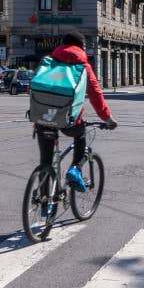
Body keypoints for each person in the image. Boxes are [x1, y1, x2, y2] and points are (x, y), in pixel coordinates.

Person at [38, 31, 117, 192]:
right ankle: (75, 170)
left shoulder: (49, 61)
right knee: (80, 135)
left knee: (45, 162)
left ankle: (45, 205)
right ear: (81, 47)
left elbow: (34, 87)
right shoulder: (83, 66)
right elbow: (96, 95)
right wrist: (108, 118)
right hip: (69, 120)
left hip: (43, 116)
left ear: (63, 45)